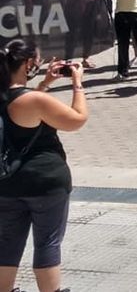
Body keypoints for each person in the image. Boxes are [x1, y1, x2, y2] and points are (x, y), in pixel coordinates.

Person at [0, 40, 88, 292]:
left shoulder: (12, 96)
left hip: (6, 183)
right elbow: (76, 120)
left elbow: (19, 109)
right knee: (47, 243)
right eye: (37, 61)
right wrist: (77, 83)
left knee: (6, 242)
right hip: (45, 182)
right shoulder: (34, 100)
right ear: (28, 64)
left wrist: (44, 84)